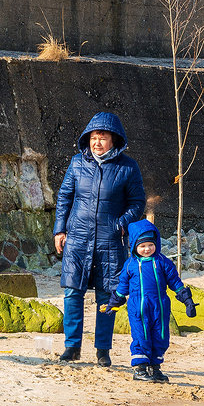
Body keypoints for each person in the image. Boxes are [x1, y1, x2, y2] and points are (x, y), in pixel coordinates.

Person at [52, 112, 145, 367]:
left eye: (102, 138)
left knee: (108, 296)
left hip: (110, 241)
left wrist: (120, 224)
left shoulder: (128, 167)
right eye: (93, 137)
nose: (97, 143)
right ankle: (72, 347)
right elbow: (64, 198)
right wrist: (60, 230)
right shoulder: (76, 163)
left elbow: (138, 203)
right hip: (78, 239)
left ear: (114, 140)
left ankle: (103, 350)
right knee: (72, 292)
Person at [105, 219, 197, 382]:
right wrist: (114, 302)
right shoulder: (129, 265)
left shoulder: (163, 262)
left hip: (159, 307)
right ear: (134, 246)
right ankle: (140, 369)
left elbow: (175, 282)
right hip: (138, 307)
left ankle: (155, 368)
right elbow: (122, 287)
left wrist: (187, 300)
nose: (147, 249)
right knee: (141, 335)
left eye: (150, 245)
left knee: (160, 336)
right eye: (142, 246)